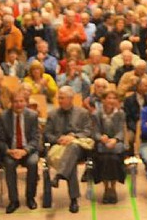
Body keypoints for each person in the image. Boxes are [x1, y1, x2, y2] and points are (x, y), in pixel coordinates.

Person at [43, 86, 92, 214]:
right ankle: (73, 199)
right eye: (58, 97)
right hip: (59, 148)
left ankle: (59, 175)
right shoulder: (52, 114)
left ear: (71, 99)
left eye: (62, 98)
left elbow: (88, 131)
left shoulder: (82, 113)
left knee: (73, 147)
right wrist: (59, 139)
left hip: (79, 147)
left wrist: (73, 137)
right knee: (71, 163)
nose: (59, 100)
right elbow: (47, 134)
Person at [0, 88, 40, 214]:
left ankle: (30, 198)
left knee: (33, 163)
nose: (19, 104)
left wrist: (25, 151)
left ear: (26, 102)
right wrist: (9, 151)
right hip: (11, 150)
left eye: (21, 101)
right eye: (16, 101)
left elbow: (36, 138)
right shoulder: (3, 116)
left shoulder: (32, 115)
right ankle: (13, 200)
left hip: (28, 150)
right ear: (11, 102)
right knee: (9, 165)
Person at [92, 88, 126, 204]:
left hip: (115, 144)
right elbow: (95, 132)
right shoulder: (97, 114)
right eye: (109, 98)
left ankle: (113, 188)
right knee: (104, 159)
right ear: (103, 100)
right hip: (102, 144)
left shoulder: (120, 113)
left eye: (114, 98)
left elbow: (121, 131)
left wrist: (115, 140)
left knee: (115, 159)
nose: (111, 100)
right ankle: (106, 188)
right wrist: (101, 138)